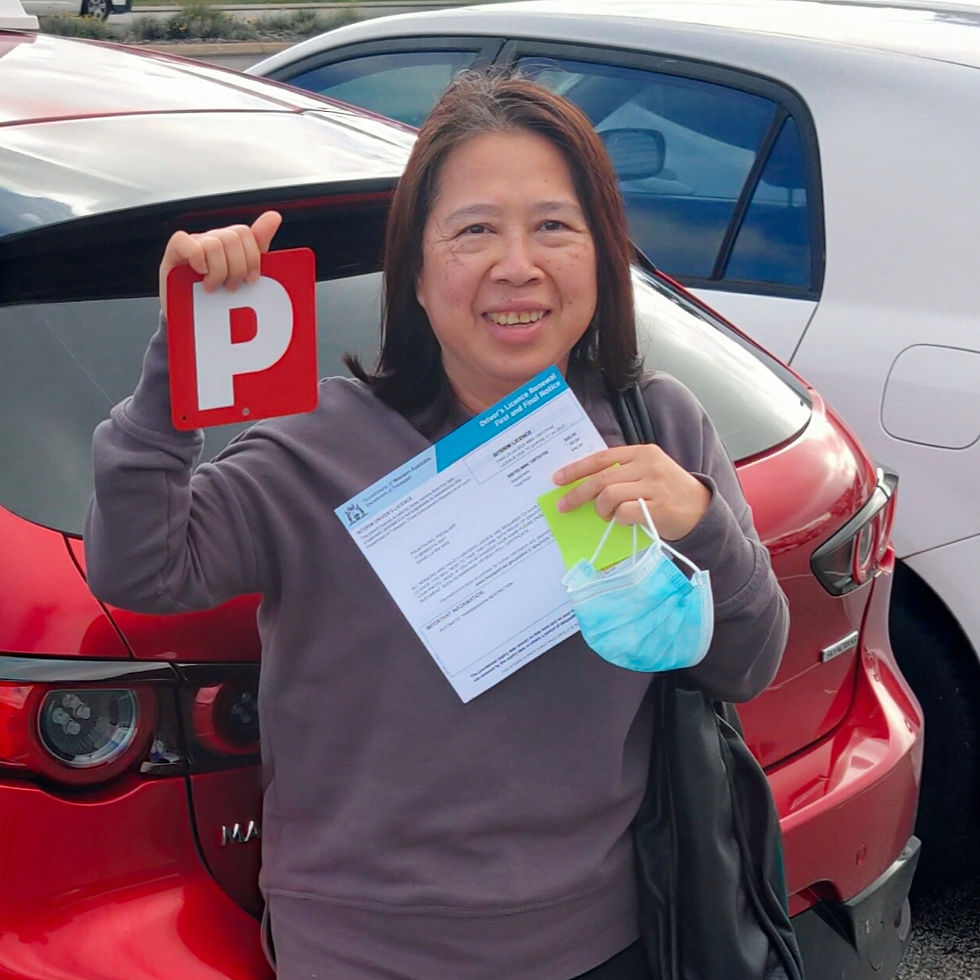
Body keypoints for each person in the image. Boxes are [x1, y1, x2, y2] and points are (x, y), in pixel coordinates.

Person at [84, 70, 788, 980]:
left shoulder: (657, 424)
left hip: (609, 936)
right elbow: (140, 569)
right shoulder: (317, 445)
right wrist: (179, 370)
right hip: (362, 950)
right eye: (474, 231)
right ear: (414, 274)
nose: (517, 265)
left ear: (601, 256)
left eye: (554, 227)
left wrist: (699, 523)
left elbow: (748, 662)